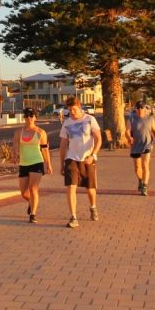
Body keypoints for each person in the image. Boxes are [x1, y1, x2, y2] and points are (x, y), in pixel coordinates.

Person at [59, 96, 102, 228]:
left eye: (74, 109)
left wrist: (93, 155)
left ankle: (93, 207)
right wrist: (62, 163)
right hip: (71, 158)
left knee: (90, 189)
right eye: (69, 110)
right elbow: (63, 144)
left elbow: (99, 139)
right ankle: (73, 217)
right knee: (71, 187)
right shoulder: (67, 123)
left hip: (87, 159)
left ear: (80, 107)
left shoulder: (90, 119)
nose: (72, 112)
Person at [13, 108, 52, 223]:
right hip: (24, 163)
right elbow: (15, 144)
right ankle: (31, 202)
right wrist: (14, 155)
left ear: (35, 117)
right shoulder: (19, 132)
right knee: (24, 192)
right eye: (26, 116)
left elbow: (45, 150)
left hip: (37, 162)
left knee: (33, 189)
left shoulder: (40, 132)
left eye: (31, 116)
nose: (29, 118)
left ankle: (33, 214)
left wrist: (48, 164)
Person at [127, 101, 155, 196]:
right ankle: (140, 180)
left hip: (147, 144)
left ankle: (145, 186)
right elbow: (127, 130)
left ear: (145, 109)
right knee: (137, 168)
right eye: (138, 108)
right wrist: (129, 137)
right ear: (135, 109)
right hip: (135, 145)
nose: (140, 110)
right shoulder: (131, 118)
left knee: (145, 165)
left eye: (142, 108)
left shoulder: (150, 119)